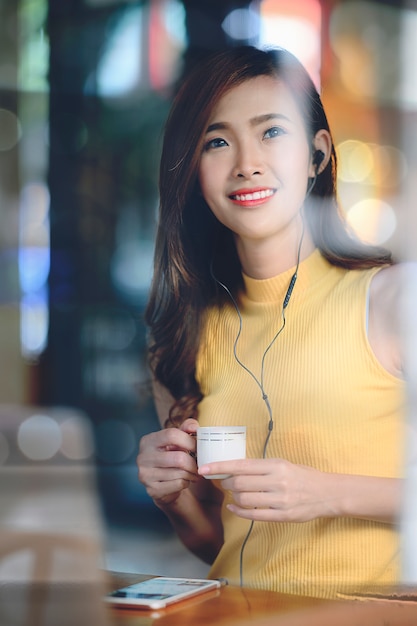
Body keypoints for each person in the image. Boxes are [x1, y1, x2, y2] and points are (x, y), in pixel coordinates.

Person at [136, 45, 407, 600]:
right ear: (193, 169)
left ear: (318, 155)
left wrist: (328, 493)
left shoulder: (394, 297)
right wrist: (176, 499)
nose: (246, 163)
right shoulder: (183, 335)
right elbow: (224, 544)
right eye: (217, 141)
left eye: (272, 132)